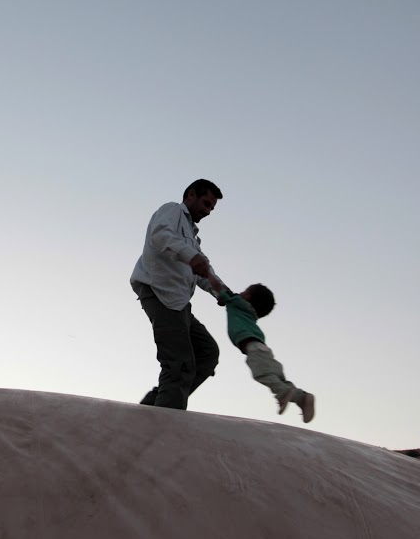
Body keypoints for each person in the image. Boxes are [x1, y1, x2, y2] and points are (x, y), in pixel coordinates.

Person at [131, 179, 223, 410]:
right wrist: (192, 258)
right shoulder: (171, 210)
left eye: (211, 208)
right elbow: (160, 236)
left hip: (179, 303)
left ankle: (154, 408)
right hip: (160, 293)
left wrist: (224, 293)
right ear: (191, 195)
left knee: (207, 353)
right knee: (179, 363)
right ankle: (165, 420)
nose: (207, 211)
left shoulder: (193, 237)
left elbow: (202, 272)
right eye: (205, 203)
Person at [215, 280, 315, 423]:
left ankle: (283, 393)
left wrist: (206, 273)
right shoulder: (250, 312)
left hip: (254, 348)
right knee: (278, 377)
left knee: (262, 374)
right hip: (263, 349)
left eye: (244, 291)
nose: (240, 292)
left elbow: (219, 289)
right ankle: (302, 398)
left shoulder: (237, 302)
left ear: (248, 296)